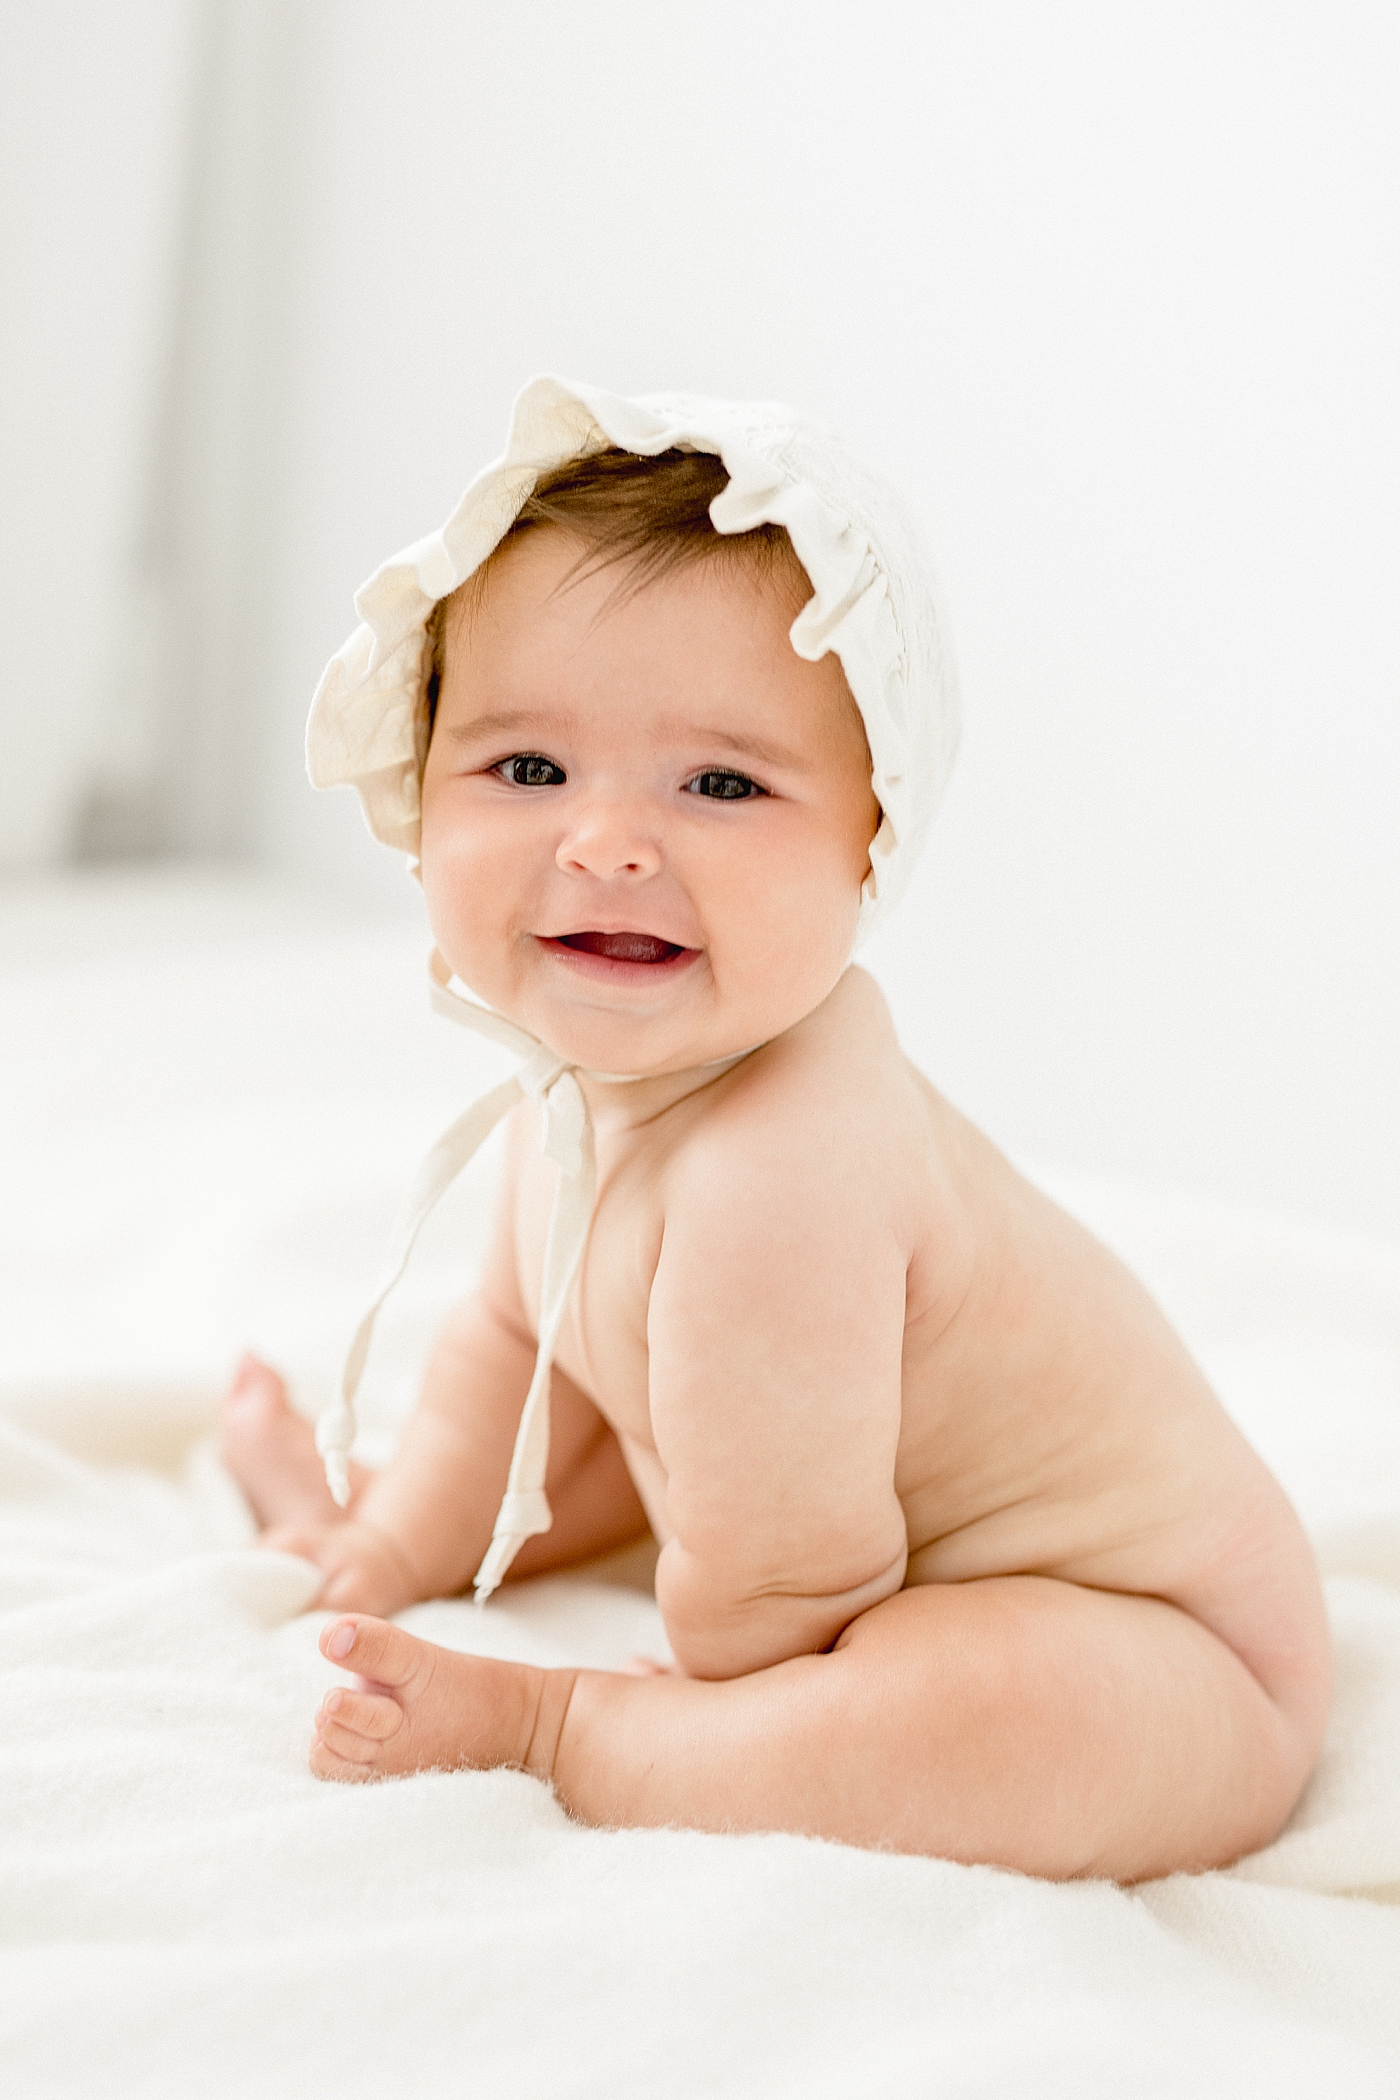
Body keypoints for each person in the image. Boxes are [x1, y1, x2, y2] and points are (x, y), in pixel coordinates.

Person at [223, 380, 1330, 1880]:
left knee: (962, 1717)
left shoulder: (782, 1163)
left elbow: (784, 1584)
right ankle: (351, 1530)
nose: (607, 840)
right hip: (786, 1492)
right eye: (529, 768)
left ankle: (565, 1733)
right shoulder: (572, 1090)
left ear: (870, 836)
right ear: (422, 784)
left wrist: (725, 1709)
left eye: (722, 783)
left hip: (1150, 1643)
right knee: (594, 1427)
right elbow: (512, 1349)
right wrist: (400, 1548)